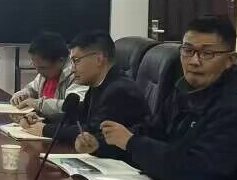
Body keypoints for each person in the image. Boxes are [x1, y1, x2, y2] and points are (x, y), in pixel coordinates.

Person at [92, 15, 237, 180]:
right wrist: (102, 144)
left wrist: (132, 142)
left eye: (207, 53)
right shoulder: (185, 89)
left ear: (230, 60)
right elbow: (152, 132)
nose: (194, 61)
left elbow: (198, 170)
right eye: (188, 50)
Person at [21, 30, 148, 158]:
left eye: (76, 61)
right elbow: (78, 118)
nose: (72, 69)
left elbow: (91, 132)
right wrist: (42, 120)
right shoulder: (98, 85)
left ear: (99, 59)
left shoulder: (119, 91)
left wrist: (45, 129)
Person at [10, 32, 87, 118]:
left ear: (60, 60)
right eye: (35, 66)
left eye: (42, 67)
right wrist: (22, 95)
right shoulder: (46, 73)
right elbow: (31, 89)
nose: (38, 72)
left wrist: (37, 104)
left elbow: (73, 106)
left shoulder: (77, 74)